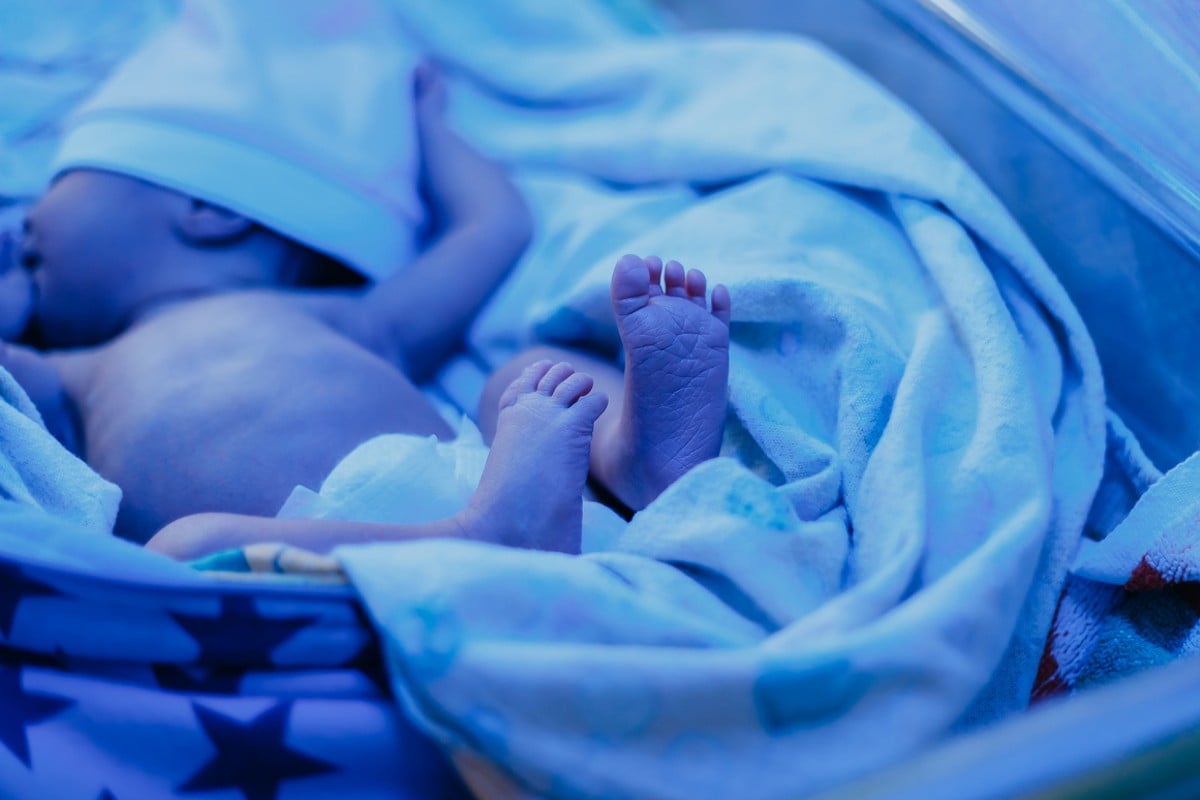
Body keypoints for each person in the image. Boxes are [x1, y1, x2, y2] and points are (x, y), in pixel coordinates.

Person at [0, 58, 733, 558]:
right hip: (320, 553)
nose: (21, 221)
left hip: (506, 477)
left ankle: (636, 460)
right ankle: (480, 537)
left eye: (50, 190)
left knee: (524, 375)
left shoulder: (354, 318)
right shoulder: (70, 373)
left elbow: (491, 228)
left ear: (202, 208)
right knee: (181, 549)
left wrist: (430, 126)